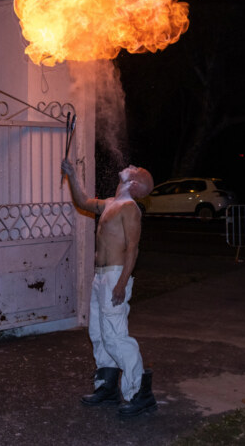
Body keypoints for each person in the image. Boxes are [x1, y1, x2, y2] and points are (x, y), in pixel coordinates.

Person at [61, 157, 157, 417]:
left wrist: (122, 283)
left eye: (136, 168)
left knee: (115, 337)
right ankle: (108, 388)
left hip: (115, 277)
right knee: (99, 334)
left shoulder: (130, 208)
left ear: (134, 183)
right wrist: (71, 174)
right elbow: (82, 201)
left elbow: (133, 249)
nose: (131, 166)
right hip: (100, 277)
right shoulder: (110, 204)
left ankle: (140, 393)